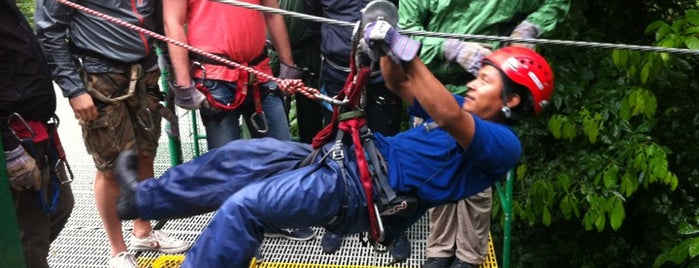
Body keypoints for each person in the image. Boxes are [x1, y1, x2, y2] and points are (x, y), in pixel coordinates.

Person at [113, 7, 555, 267]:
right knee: (241, 158)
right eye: (479, 74)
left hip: (360, 191)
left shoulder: (502, 144)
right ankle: (141, 200)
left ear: (512, 102)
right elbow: (400, 85)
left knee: (245, 209)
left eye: (488, 79)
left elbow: (446, 114)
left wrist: (406, 50)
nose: (475, 82)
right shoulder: (460, 101)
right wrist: (383, 51)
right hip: (346, 159)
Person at [397, 1, 569, 266]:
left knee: (475, 185)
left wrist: (531, 27)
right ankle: (439, 251)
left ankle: (468, 255)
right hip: (434, 90)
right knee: (434, 172)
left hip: (484, 97)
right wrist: (448, 47)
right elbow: (405, 34)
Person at [34, 0, 190, 267]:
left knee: (145, 155)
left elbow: (159, 20)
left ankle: (143, 230)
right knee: (111, 166)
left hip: (146, 74)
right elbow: (49, 31)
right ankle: (117, 250)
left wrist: (176, 74)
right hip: (100, 77)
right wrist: (74, 89)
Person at [162, 0, 315, 243]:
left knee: (281, 151)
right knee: (227, 162)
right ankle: (238, 230)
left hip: (259, 73)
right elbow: (173, 22)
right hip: (214, 77)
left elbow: (272, 13)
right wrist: (184, 83)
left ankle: (277, 217)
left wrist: (288, 65)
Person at [303, 0, 409, 258]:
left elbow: (403, 15)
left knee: (386, 144)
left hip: (381, 73)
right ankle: (338, 218)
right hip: (339, 71)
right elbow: (312, 19)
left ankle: (393, 224)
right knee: (339, 147)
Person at [0, 1, 74, 267]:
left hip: (37, 129)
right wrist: (9, 148)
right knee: (31, 233)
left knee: (62, 206)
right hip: (15, 135)